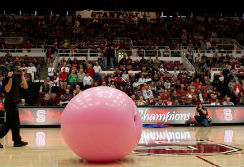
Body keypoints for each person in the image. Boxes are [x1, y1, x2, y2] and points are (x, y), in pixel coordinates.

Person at [0, 63, 28, 148]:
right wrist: (10, 78)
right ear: (13, 70)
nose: (19, 71)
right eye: (18, 70)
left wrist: (22, 76)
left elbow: (25, 87)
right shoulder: (7, 78)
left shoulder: (18, 79)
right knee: (15, 123)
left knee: (9, 124)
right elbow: (7, 90)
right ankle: (17, 141)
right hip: (10, 103)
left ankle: (17, 141)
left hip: (13, 103)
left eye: (20, 69)